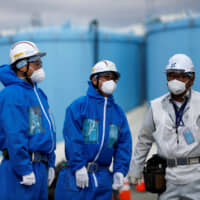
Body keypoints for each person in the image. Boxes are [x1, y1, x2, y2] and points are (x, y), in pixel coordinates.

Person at [55, 60, 132, 200]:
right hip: (77, 176)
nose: (111, 82)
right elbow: (73, 138)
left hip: (103, 179)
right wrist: (78, 166)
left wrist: (120, 170)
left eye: (114, 78)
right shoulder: (79, 106)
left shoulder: (118, 113)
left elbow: (124, 144)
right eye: (106, 77)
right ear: (94, 80)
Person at [131, 53, 200, 200]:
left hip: (196, 176)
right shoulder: (156, 106)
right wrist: (135, 170)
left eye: (181, 76)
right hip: (167, 179)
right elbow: (144, 140)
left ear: (191, 78)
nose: (175, 80)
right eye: (171, 75)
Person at [0, 41, 56, 200]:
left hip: (39, 167)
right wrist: (24, 168)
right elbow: (15, 135)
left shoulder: (38, 94)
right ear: (22, 66)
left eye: (40, 62)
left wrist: (50, 163)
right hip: (20, 170)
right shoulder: (12, 94)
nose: (40, 67)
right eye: (36, 63)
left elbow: (42, 131)